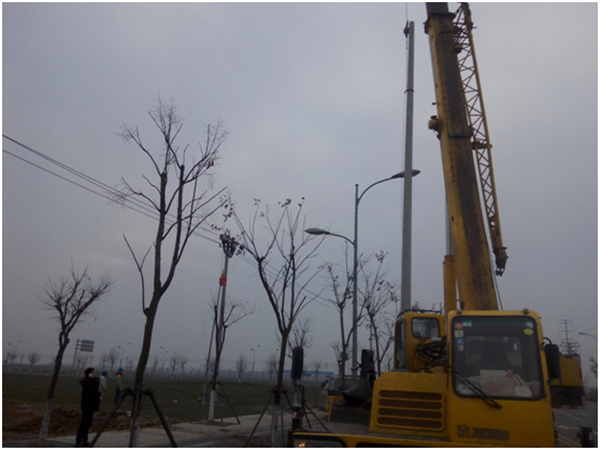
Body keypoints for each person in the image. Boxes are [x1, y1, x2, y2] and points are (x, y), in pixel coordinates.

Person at [76, 367, 100, 447]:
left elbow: (95, 391)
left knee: (88, 423)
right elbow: (93, 389)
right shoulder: (87, 382)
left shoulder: (90, 382)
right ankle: (79, 440)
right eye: (93, 372)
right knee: (84, 423)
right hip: (87, 405)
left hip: (90, 405)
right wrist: (96, 380)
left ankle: (84, 439)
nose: (95, 374)